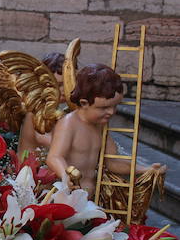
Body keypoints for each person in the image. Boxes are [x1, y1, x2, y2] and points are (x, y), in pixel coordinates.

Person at [47, 63, 165, 194]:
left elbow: (112, 161)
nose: (111, 112)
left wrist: (144, 169)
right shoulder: (68, 124)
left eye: (115, 106)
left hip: (91, 196)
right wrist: (65, 176)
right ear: (84, 103)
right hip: (68, 194)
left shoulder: (99, 125)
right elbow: (54, 157)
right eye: (104, 108)